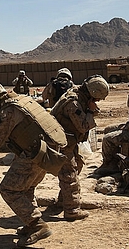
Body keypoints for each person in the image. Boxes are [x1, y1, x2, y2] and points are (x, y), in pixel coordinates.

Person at [0, 80, 67, 247]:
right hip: (47, 150)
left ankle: (37, 225)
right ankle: (30, 222)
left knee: (8, 189)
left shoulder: (7, 112)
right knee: (26, 188)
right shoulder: (21, 99)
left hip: (36, 153)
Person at [50, 75, 109, 221]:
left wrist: (91, 109)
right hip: (62, 143)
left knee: (77, 166)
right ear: (92, 93)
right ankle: (72, 210)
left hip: (68, 141)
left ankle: (64, 200)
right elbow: (82, 126)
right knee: (70, 175)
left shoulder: (79, 96)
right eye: (97, 98)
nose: (98, 102)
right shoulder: (73, 102)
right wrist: (90, 111)